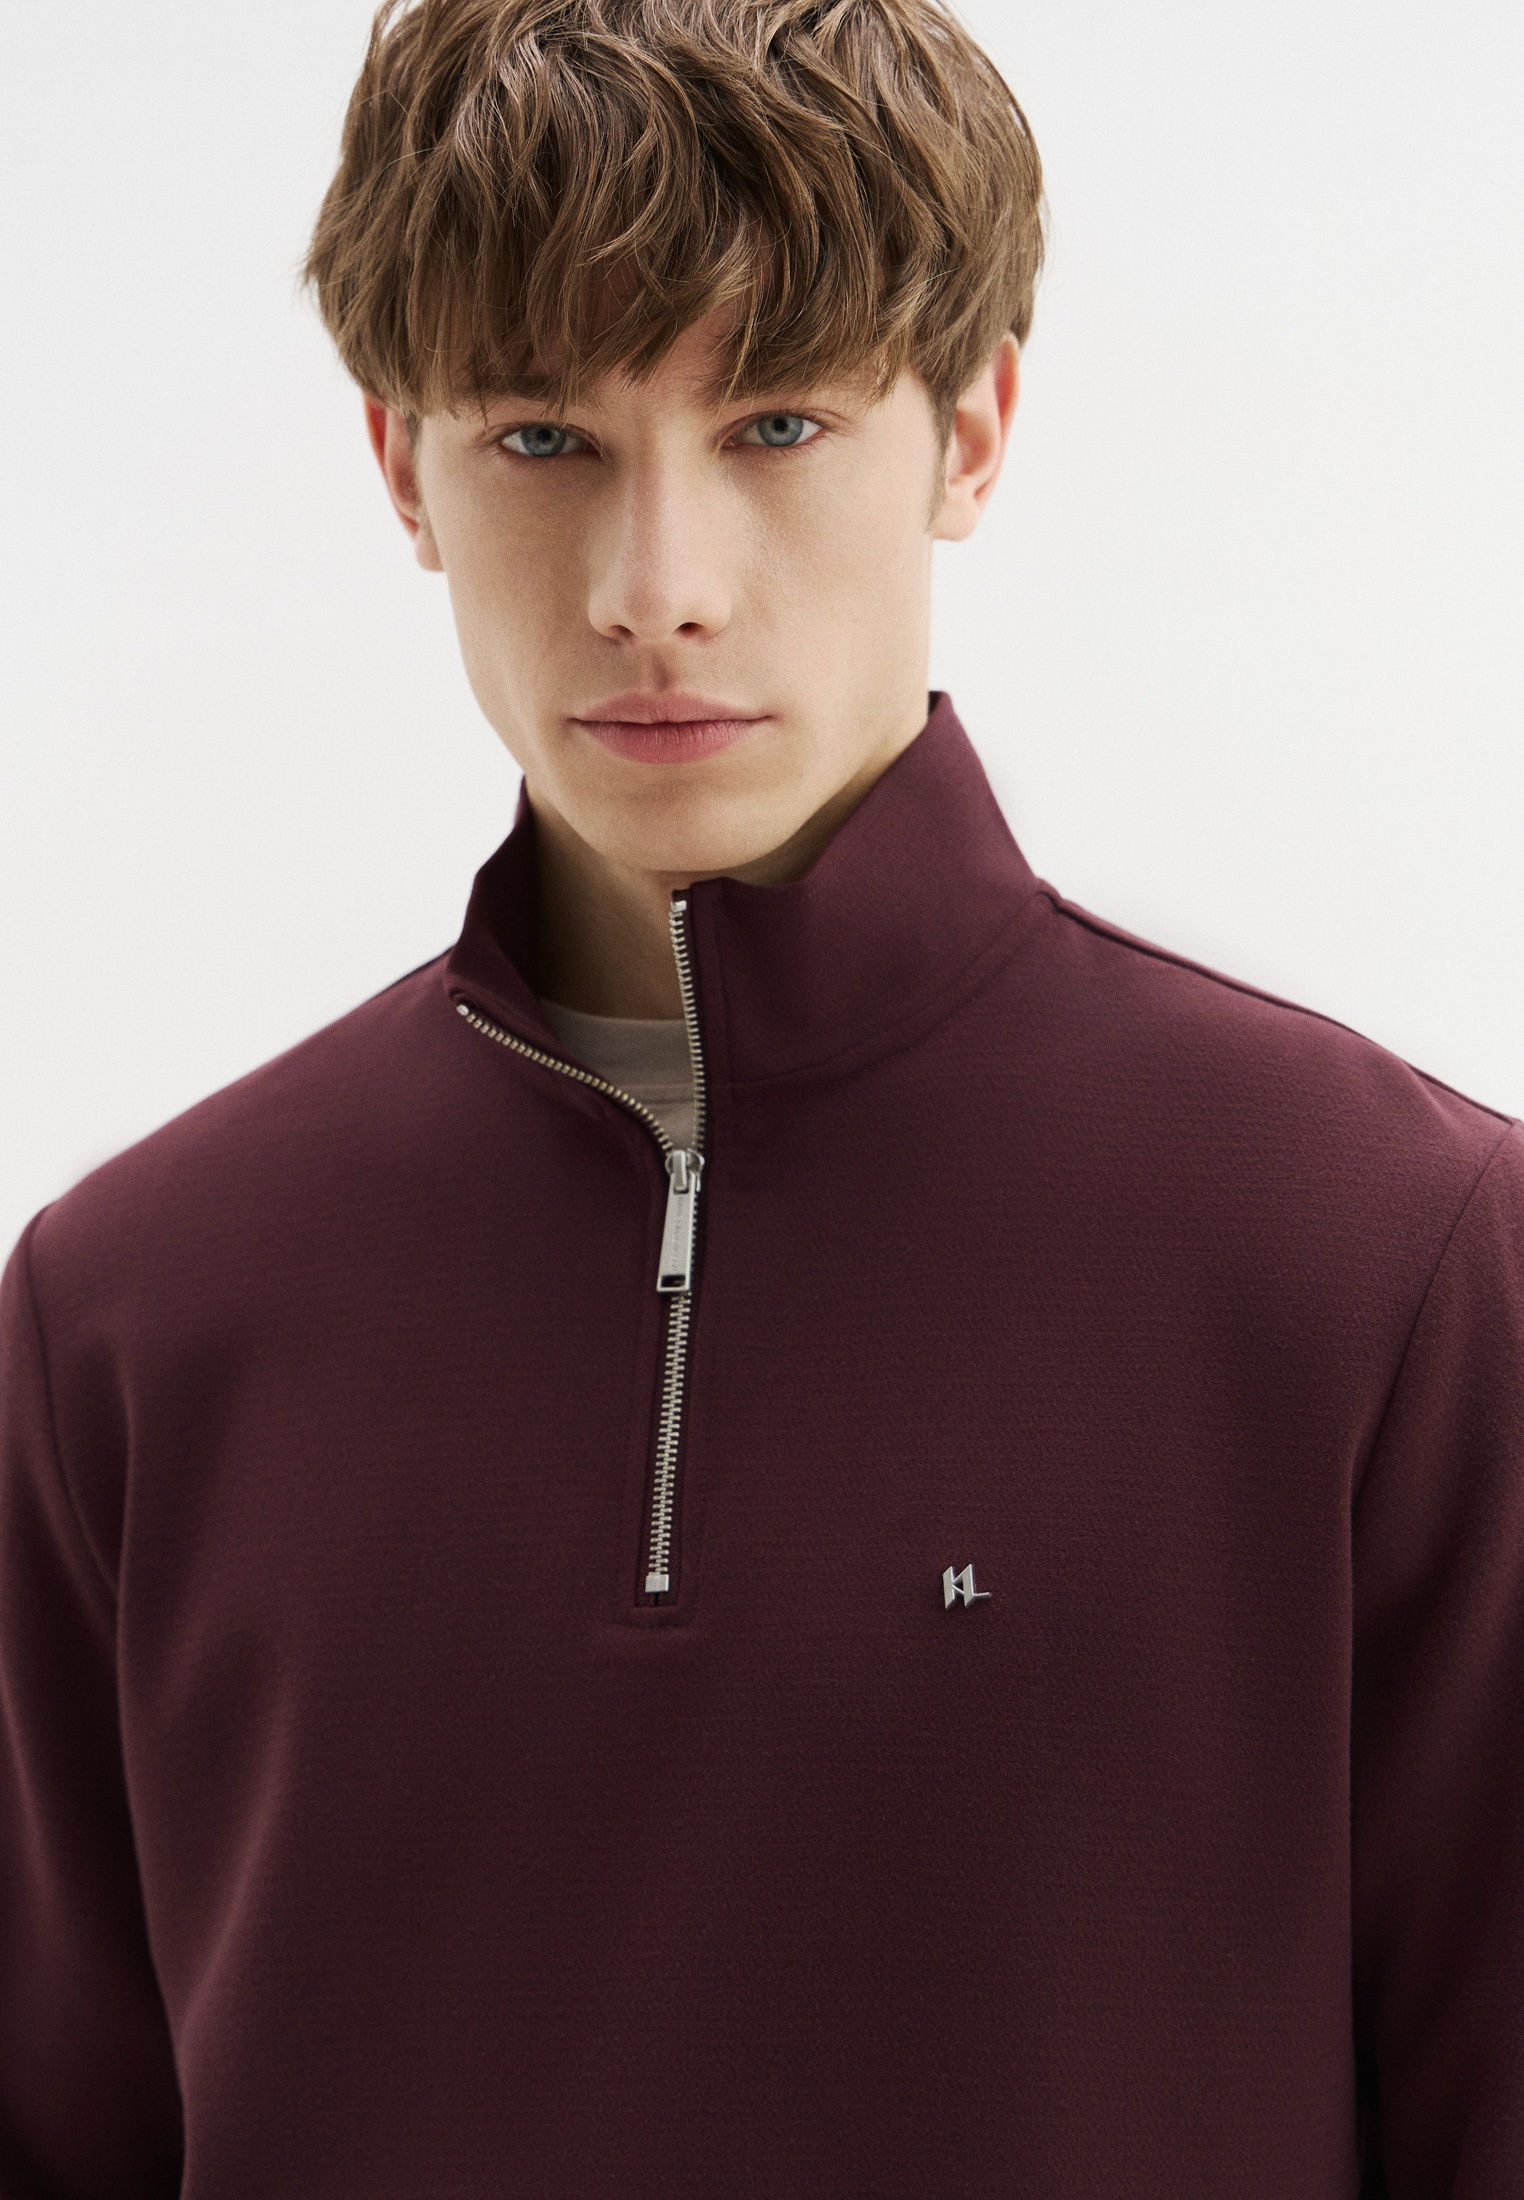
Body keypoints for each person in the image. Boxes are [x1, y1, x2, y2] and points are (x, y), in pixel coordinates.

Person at [1, 0, 1519, 2191]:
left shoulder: (1392, 1262)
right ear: (399, 463)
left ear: (973, 430)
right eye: (544, 437)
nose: (659, 591)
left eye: (778, 422)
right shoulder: (131, 1318)